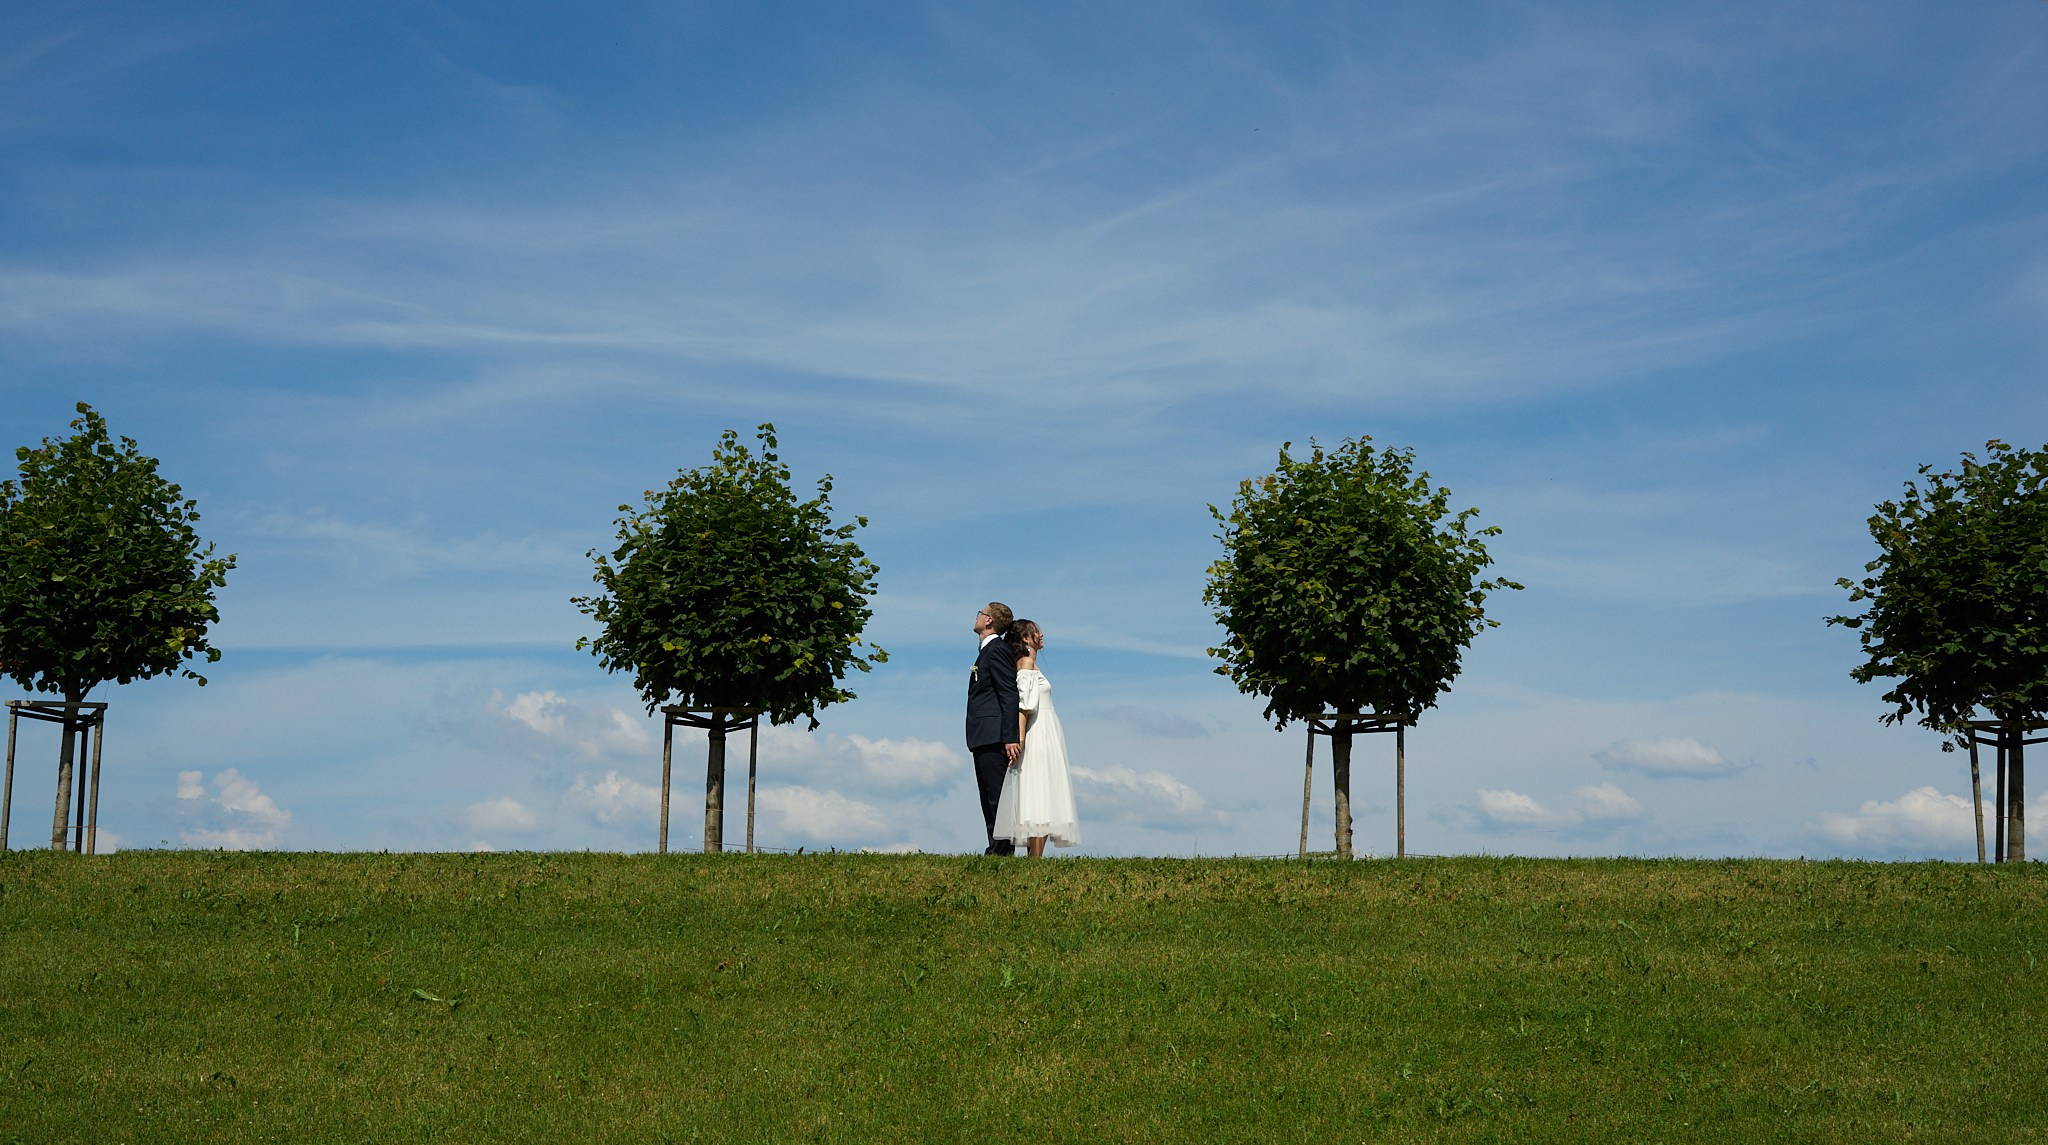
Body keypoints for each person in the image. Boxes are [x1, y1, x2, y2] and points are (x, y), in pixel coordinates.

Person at [992, 619, 1079, 857]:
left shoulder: (1031, 664)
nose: (1041, 634)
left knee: (1044, 791)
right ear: (1026, 639)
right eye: (1036, 631)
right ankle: (1035, 858)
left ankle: (1036, 856)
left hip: (1047, 728)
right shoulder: (1026, 663)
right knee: (1039, 792)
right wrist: (1019, 739)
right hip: (1038, 731)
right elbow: (1024, 706)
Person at [965, 602, 1021, 855]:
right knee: (987, 794)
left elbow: (1009, 694)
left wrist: (1010, 737)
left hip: (994, 734)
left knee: (997, 796)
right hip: (982, 734)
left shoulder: (997, 650)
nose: (976, 616)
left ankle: (1002, 849)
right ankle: (995, 847)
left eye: (980, 612)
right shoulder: (986, 651)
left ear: (989, 621)